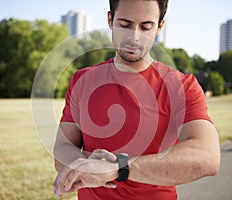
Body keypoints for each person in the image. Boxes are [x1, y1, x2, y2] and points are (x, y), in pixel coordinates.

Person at [53, 0, 221, 199]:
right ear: (110, 20)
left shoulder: (182, 86)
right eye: (124, 24)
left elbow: (208, 157)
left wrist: (119, 168)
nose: (134, 37)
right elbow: (62, 149)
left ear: (159, 26)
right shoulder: (83, 80)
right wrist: (88, 165)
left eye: (145, 26)